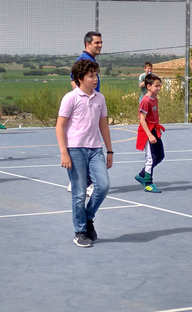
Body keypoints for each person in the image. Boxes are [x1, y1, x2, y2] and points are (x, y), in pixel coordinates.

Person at [56, 59, 113, 247]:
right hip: (75, 150)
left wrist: (110, 150)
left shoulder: (100, 98)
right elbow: (60, 126)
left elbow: (103, 125)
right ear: (80, 78)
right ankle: (80, 231)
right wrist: (64, 152)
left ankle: (88, 218)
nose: (95, 79)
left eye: (96, 74)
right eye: (91, 75)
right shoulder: (70, 98)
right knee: (79, 193)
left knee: (103, 186)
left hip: (95, 149)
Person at [68, 31, 103, 195]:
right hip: (85, 110)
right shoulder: (84, 60)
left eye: (101, 42)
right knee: (86, 144)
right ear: (87, 44)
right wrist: (85, 103)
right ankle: (85, 182)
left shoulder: (90, 60)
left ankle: (76, 180)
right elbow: (74, 83)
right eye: (96, 42)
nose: (100, 45)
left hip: (92, 107)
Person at [135, 74, 165, 193]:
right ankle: (148, 183)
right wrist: (149, 135)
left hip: (155, 130)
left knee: (160, 155)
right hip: (148, 131)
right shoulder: (145, 100)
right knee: (151, 158)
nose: (158, 88)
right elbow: (142, 119)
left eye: (160, 86)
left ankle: (142, 174)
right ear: (148, 86)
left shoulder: (155, 99)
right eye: (156, 86)